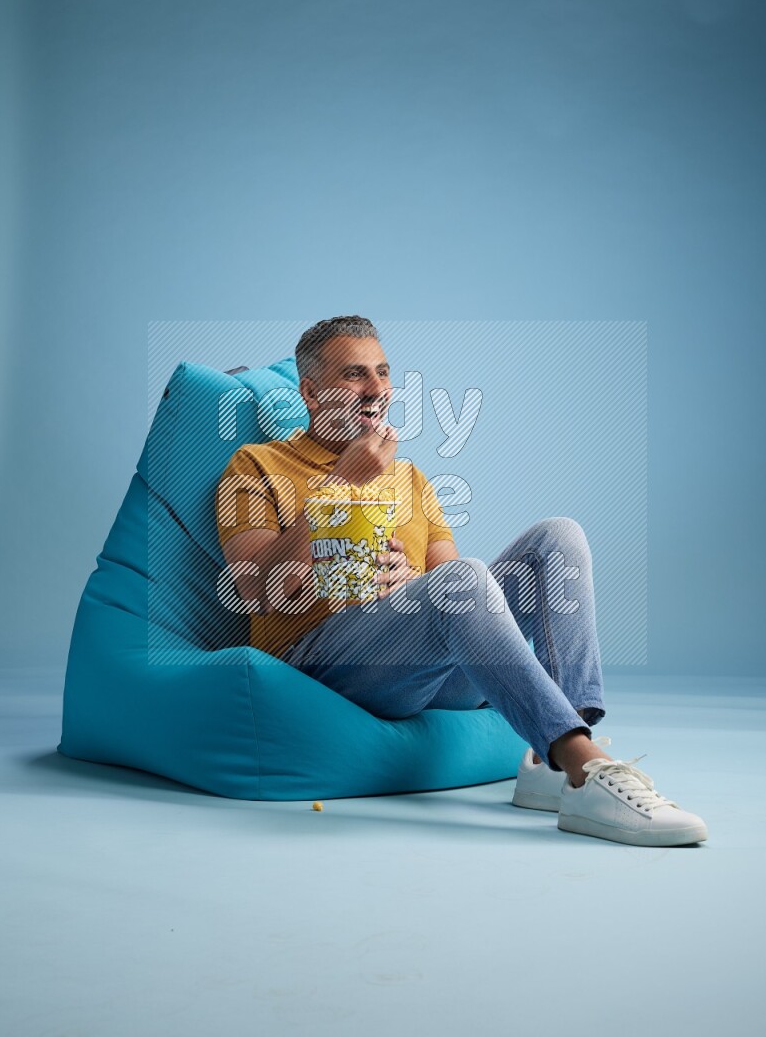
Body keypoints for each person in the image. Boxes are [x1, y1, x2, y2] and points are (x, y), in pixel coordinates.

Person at [215, 316, 707, 847]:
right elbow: (252, 589)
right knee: (463, 578)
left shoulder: (411, 478)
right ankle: (586, 768)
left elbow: (451, 586)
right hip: (321, 669)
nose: (377, 389)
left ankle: (552, 762)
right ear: (312, 393)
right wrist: (341, 483)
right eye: (355, 375)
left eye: (383, 372)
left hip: (419, 671)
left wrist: (413, 581)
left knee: (557, 538)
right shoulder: (257, 464)